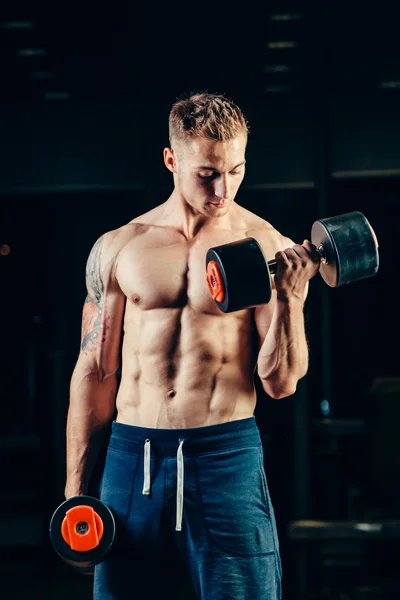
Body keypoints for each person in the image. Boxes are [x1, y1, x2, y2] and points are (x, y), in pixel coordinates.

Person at [65, 93, 320, 600]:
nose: (223, 189)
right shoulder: (120, 247)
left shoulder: (265, 246)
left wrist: (290, 301)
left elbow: (281, 383)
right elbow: (95, 373)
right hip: (131, 458)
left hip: (225, 456)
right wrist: (74, 490)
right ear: (172, 159)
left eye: (235, 171)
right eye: (207, 174)